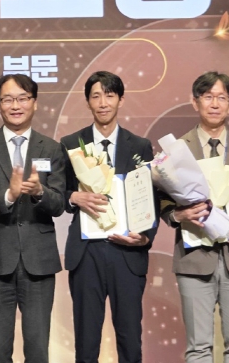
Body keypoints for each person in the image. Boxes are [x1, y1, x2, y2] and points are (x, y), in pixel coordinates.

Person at [161, 71, 229, 363]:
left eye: (222, 98)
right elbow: (162, 201)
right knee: (198, 348)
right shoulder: (176, 150)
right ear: (195, 102)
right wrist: (178, 214)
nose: (215, 104)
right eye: (208, 97)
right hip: (194, 258)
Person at [0, 73, 66, 363]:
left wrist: (39, 192)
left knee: (38, 349)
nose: (15, 105)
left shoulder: (51, 148)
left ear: (35, 103)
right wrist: (9, 196)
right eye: (8, 99)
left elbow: (59, 203)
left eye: (22, 98)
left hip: (39, 260)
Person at [60, 71, 156, 363]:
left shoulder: (140, 145)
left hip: (127, 253)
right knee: (86, 340)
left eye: (109, 95)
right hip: (86, 252)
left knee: (129, 338)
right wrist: (73, 196)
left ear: (120, 100)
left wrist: (144, 238)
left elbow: (150, 198)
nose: (103, 103)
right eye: (96, 96)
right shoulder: (70, 143)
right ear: (88, 102)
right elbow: (58, 193)